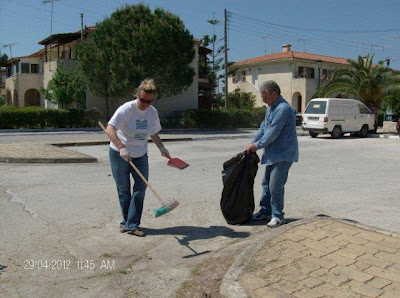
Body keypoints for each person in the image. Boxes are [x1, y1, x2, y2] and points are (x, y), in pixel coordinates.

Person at [105, 78, 170, 237]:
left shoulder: (152, 112)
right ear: (137, 95)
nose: (145, 104)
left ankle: (131, 224)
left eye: (149, 101)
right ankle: (127, 223)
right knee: (124, 190)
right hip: (120, 153)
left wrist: (161, 147)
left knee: (140, 188)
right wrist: (121, 147)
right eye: (142, 100)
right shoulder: (126, 109)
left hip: (140, 154)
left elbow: (153, 133)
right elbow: (110, 129)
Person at [246, 80, 298, 228]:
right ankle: (265, 212)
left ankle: (278, 216)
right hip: (272, 154)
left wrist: (256, 146)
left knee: (275, 185)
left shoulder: (283, 109)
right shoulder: (270, 108)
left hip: (283, 154)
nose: (263, 100)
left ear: (274, 94)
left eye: (265, 97)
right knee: (266, 184)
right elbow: (263, 128)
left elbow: (272, 132)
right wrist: (253, 141)